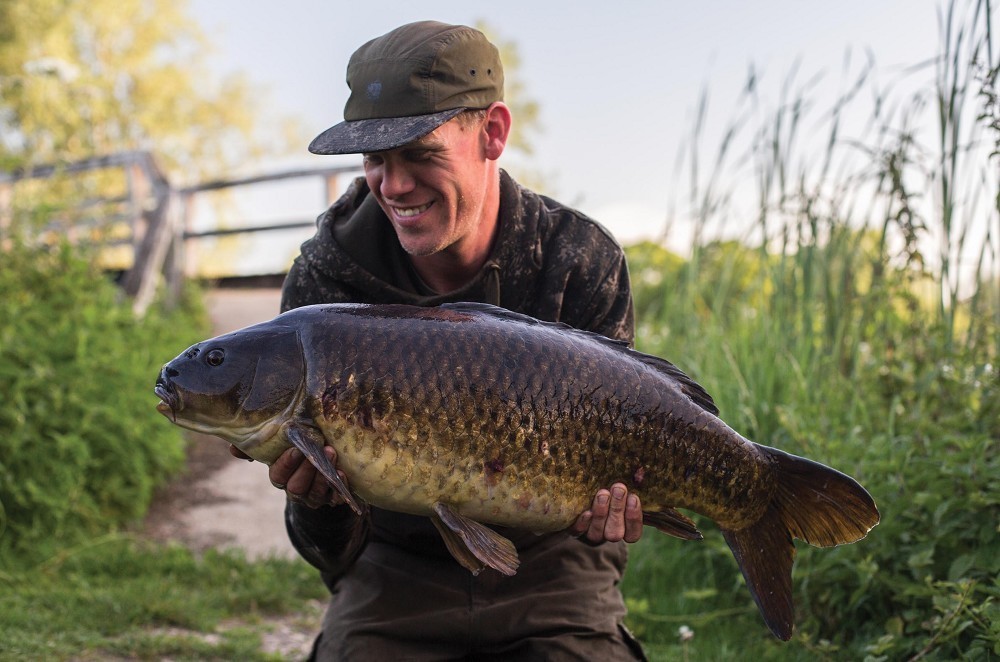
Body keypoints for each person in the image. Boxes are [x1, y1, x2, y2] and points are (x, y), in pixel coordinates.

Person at [231, 20, 646, 660]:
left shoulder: (578, 260)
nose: (393, 186)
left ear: (493, 133)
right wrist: (319, 503)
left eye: (420, 154)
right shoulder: (325, 283)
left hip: (550, 563)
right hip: (396, 566)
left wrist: (609, 518)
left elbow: (618, 494)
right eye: (375, 159)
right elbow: (325, 552)